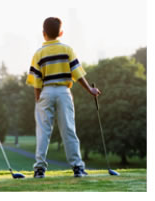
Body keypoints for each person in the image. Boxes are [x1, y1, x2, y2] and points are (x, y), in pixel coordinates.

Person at [26, 17, 101, 178]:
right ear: (61, 32)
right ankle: (78, 168)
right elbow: (77, 73)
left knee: (43, 131)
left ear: (43, 33)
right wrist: (90, 89)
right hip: (63, 92)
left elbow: (36, 81)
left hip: (46, 91)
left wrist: (38, 98)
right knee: (68, 129)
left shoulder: (38, 53)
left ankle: (39, 169)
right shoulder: (67, 49)